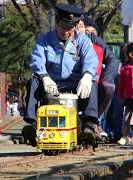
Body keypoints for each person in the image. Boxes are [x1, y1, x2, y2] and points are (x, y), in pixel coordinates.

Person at [22, 3, 99, 146]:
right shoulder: (44, 40)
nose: (67, 31)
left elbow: (91, 60)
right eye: (63, 27)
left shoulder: (83, 41)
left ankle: (89, 127)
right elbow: (36, 59)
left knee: (93, 83)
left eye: (70, 28)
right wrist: (44, 76)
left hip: (76, 83)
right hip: (51, 83)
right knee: (33, 81)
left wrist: (87, 75)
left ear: (75, 26)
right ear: (56, 23)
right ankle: (32, 124)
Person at [76, 16, 119, 140]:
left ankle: (95, 122)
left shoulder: (95, 41)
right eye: (86, 30)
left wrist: (107, 77)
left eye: (92, 32)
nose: (88, 34)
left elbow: (112, 59)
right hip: (71, 81)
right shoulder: (65, 39)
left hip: (93, 81)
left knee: (108, 86)